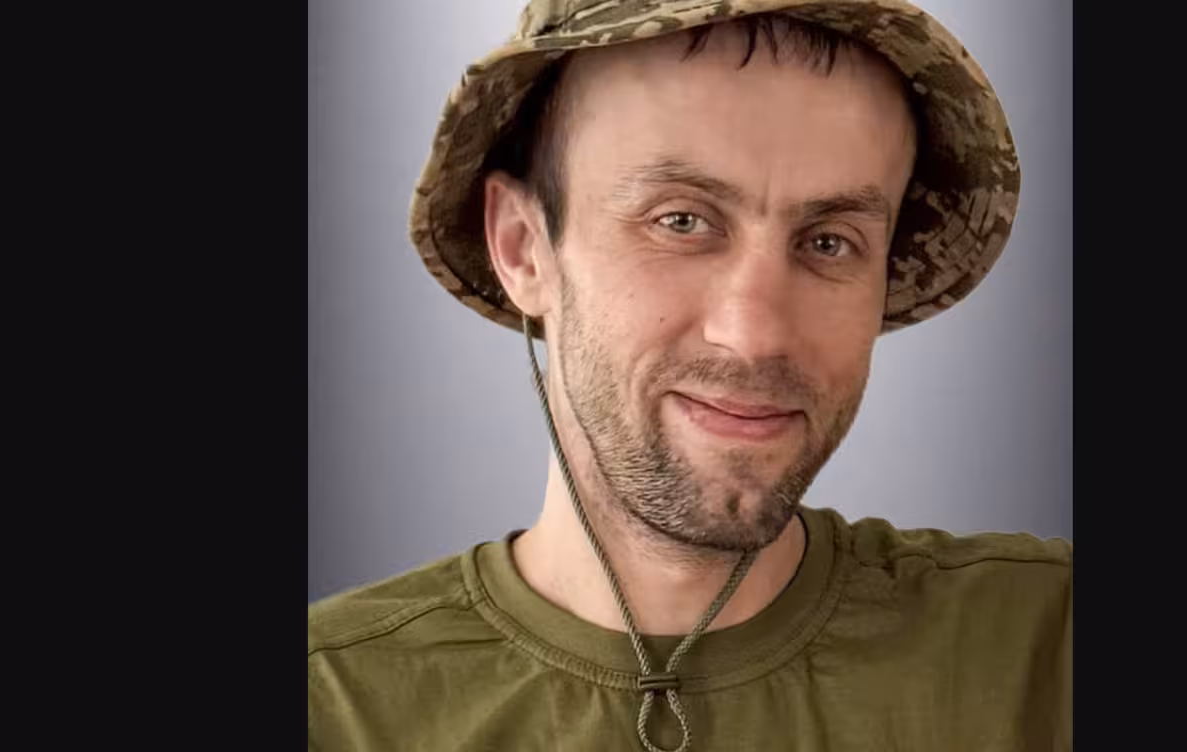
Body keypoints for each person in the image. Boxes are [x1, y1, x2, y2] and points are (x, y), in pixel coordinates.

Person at [308, 1, 1071, 750]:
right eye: (680, 221)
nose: (754, 336)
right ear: (523, 248)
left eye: (830, 242)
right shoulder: (332, 708)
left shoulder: (1046, 653)